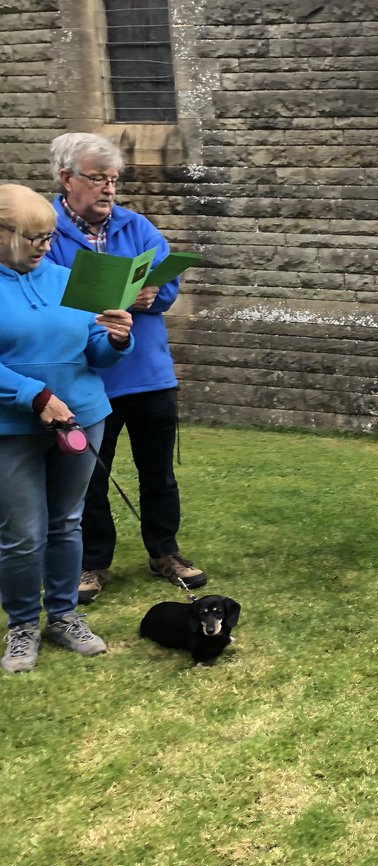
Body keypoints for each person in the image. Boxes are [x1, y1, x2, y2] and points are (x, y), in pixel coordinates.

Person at [45, 133, 204, 604]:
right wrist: (99, 305)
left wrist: (156, 295)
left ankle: (165, 551)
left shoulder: (137, 227)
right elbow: (43, 295)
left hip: (149, 372)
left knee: (158, 472)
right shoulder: (45, 232)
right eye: (98, 179)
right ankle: (93, 561)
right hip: (87, 376)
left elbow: (167, 281)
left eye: (114, 180)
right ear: (66, 178)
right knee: (90, 475)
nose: (109, 189)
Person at [0, 183, 134, 674]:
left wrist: (116, 339)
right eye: (34, 238)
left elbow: (95, 349)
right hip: (11, 428)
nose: (45, 246)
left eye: (49, 236)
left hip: (82, 417)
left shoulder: (69, 278)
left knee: (66, 523)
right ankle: (21, 624)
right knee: (21, 534)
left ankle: (63, 615)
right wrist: (33, 395)